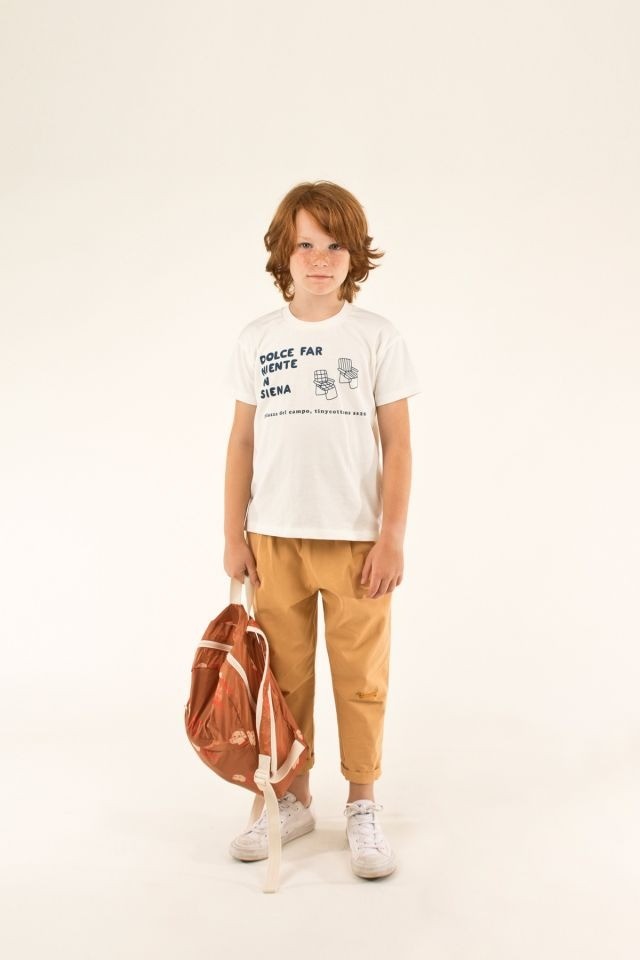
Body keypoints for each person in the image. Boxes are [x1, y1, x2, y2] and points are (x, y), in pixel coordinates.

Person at [223, 180, 421, 880]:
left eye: (335, 245)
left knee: (361, 675)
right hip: (274, 537)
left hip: (357, 541)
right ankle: (291, 797)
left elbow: (398, 443)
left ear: (354, 255)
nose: (319, 259)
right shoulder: (258, 338)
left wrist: (391, 537)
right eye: (306, 244)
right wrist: (234, 533)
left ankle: (362, 803)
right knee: (283, 677)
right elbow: (242, 441)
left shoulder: (375, 336)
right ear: (284, 251)